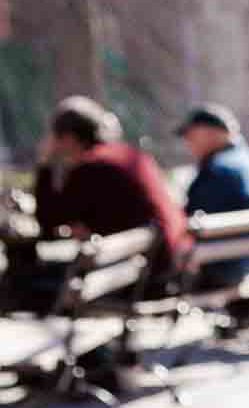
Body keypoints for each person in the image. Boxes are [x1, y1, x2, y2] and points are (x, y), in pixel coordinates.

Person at [2, 96, 191, 316]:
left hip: (142, 279)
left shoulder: (93, 167)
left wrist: (44, 163)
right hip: (160, 269)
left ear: (68, 138)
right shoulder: (130, 156)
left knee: (20, 271)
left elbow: (48, 221)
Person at [178, 103, 249, 291]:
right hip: (246, 262)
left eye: (191, 135)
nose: (187, 142)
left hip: (219, 266)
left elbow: (188, 220)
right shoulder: (247, 160)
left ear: (213, 133)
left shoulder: (219, 169)